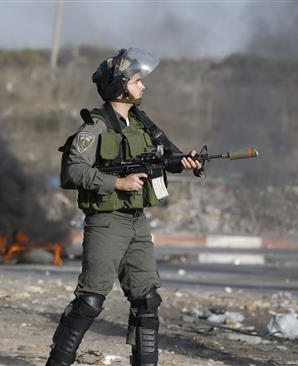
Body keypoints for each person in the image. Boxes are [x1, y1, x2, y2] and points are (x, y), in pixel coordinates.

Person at [47, 48, 202, 366]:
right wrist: (117, 183)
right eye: (137, 80)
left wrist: (187, 161)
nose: (143, 86)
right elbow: (73, 170)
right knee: (90, 300)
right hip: (106, 220)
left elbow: (167, 157)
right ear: (120, 85)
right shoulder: (96, 126)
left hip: (137, 221)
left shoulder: (143, 124)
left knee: (147, 301)